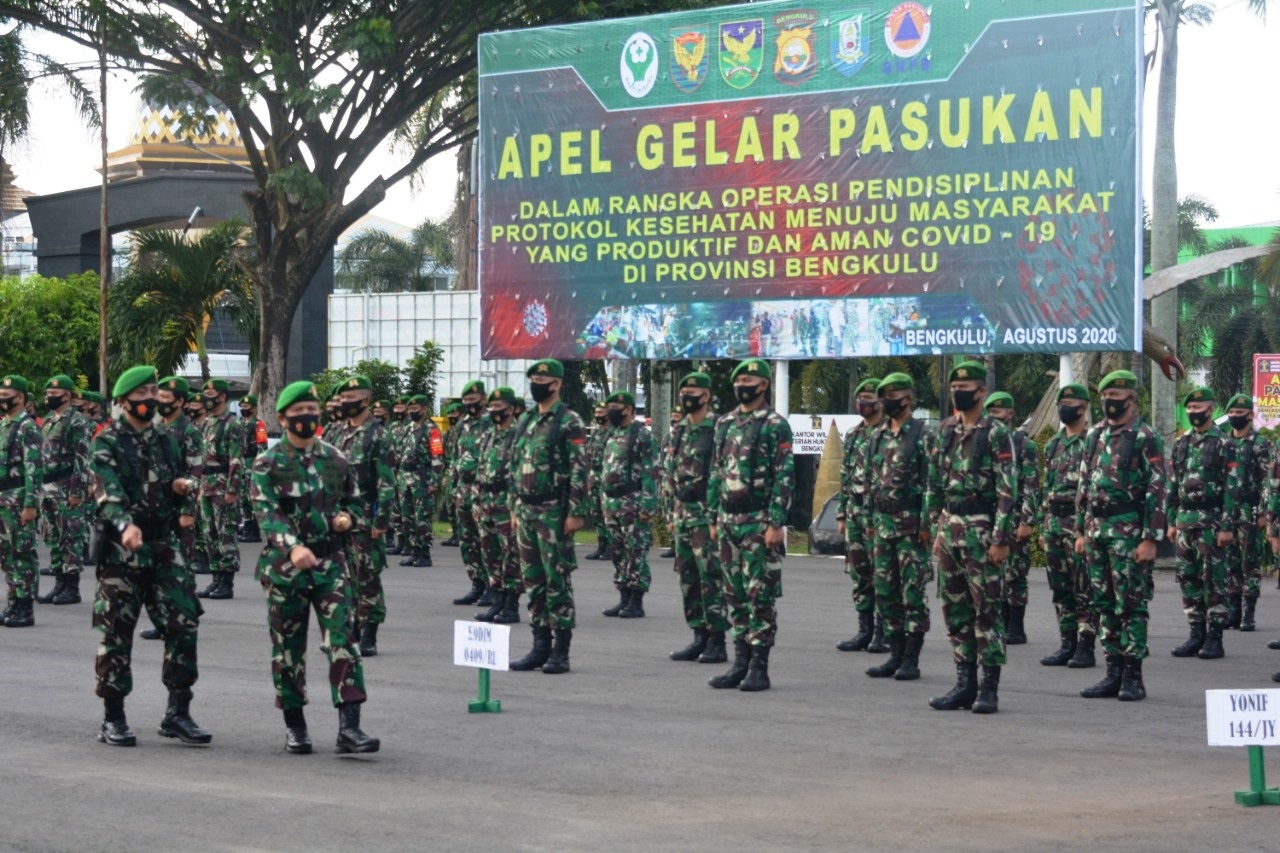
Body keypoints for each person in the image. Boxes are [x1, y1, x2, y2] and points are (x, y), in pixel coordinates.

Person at [250, 380, 378, 755]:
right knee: (288, 649)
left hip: (329, 563)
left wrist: (346, 519)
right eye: (299, 412)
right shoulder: (268, 464)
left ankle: (350, 728)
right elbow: (266, 513)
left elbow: (357, 502)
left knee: (343, 640)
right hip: (284, 570)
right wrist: (291, 548)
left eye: (312, 411)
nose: (306, 417)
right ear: (282, 418)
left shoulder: (335, 459)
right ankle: (296, 726)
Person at [90, 365, 209, 746]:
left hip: (163, 546)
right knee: (116, 632)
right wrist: (125, 525)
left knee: (184, 622)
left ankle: (177, 713)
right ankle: (114, 718)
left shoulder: (167, 438)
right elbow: (106, 492)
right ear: (124, 401)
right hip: (121, 550)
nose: (150, 400)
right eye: (141, 394)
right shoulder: (106, 441)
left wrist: (182, 487)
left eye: (153, 392)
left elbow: (176, 478)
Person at [925, 360, 1016, 714]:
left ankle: (989, 688)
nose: (959, 394)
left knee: (987, 611)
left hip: (982, 531)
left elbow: (1008, 489)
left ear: (981, 392)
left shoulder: (994, 432)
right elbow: (934, 482)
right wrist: (936, 527)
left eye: (965, 389)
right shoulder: (945, 429)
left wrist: (1000, 538)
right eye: (954, 389)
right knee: (955, 610)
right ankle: (964, 683)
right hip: (951, 530)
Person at [1074, 370, 1167, 702]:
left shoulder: (1144, 436)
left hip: (1128, 532)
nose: (1108, 401)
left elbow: (1158, 488)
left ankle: (1133, 676)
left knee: (1131, 603)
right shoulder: (1094, 435)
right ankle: (1112, 671)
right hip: (1097, 532)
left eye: (1115, 395)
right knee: (1103, 603)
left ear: (1131, 399)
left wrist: (1150, 538)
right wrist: (1082, 530)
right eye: (1104, 395)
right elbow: (1085, 484)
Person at [706, 358, 795, 692]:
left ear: (763, 385)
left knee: (760, 595)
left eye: (749, 379)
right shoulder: (725, 422)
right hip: (728, 520)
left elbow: (784, 475)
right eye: (738, 379)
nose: (742, 384)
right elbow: (716, 471)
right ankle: (739, 662)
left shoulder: (774, 424)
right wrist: (714, 516)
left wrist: (777, 522)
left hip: (758, 521)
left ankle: (759, 666)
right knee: (735, 594)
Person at [508, 359, 587, 675]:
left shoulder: (569, 421)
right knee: (533, 582)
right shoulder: (527, 419)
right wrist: (515, 507)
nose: (536, 383)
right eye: (534, 378)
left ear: (556, 383)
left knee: (557, 580)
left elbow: (580, 469)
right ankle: (539, 646)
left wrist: (576, 512)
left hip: (553, 512)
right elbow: (515, 465)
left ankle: (560, 651)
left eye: (541, 378)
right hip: (526, 512)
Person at [863, 373, 932, 681]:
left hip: (911, 527)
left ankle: (912, 659)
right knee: (886, 592)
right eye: (884, 394)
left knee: (912, 593)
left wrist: (927, 522)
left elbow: (933, 482)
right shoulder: (877, 436)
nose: (887, 400)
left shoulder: (922, 434)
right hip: (882, 525)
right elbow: (869, 482)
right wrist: (868, 521)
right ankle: (894, 654)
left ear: (908, 398)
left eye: (893, 394)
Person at [1167, 387, 1238, 661]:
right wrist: (1173, 520)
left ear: (1210, 410)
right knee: (1188, 578)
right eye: (1191, 409)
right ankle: (1195, 634)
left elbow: (1232, 487)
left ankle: (1214, 638)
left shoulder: (1223, 443)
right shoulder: (1181, 442)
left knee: (1213, 579)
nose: (1194, 413)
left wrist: (1227, 526)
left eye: (1199, 408)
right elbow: (1174, 482)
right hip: (1185, 521)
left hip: (1211, 521)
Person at [665, 372, 730, 663]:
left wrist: (717, 517)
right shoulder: (679, 430)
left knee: (711, 577)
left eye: (693, 390)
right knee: (688, 577)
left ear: (706, 395)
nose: (687, 394)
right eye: (684, 389)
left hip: (707, 514)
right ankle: (698, 636)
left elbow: (725, 473)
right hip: (683, 514)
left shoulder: (718, 428)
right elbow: (670, 473)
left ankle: (717, 640)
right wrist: (670, 512)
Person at [1036, 383, 1097, 668]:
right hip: (1053, 523)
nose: (1064, 408)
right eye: (1062, 404)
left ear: (1084, 408)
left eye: (1070, 404)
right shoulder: (1054, 443)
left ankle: (1085, 645)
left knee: (1083, 585)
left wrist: (1085, 529)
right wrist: (1042, 524)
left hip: (1078, 523)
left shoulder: (1093, 441)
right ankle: (1067, 642)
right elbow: (1046, 486)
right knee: (1059, 587)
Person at [140, 376, 205, 642]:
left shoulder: (188, 432)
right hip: (156, 508)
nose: (159, 402)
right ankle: (169, 616)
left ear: (179, 402)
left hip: (179, 509)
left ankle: (182, 616)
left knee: (181, 564)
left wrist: (188, 510)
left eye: (165, 398)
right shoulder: (156, 427)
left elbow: (195, 474)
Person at [335, 375, 396, 657]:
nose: (347, 403)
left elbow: (386, 483)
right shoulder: (338, 432)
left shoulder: (378, 434)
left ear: (367, 400)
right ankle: (351, 630)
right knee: (343, 575)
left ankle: (369, 633)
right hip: (339, 518)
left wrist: (381, 521)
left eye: (353, 398)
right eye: (344, 398)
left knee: (367, 575)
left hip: (366, 516)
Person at [983, 391, 1040, 645]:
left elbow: (1031, 484)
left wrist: (1027, 521)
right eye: (990, 412)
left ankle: (1016, 627)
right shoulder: (984, 443)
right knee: (993, 573)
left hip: (1015, 518)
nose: (994, 417)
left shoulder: (1023, 444)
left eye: (998, 412)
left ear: (1010, 413)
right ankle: (1001, 623)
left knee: (1015, 574)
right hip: (989, 519)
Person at [834, 376, 885, 653]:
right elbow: (845, 475)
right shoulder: (853, 434)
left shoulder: (889, 433)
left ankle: (883, 631)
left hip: (879, 515)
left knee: (883, 574)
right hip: (854, 512)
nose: (864, 402)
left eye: (870, 397)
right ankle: (864, 630)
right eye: (861, 397)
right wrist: (841, 514)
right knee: (860, 572)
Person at [599, 390, 659, 619]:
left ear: (629, 409)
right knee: (618, 552)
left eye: (616, 406)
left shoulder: (641, 435)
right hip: (611, 503)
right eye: (609, 406)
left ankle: (636, 601)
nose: (611, 410)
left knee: (635, 552)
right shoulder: (612, 434)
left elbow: (651, 472)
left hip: (632, 502)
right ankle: (623, 596)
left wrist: (647, 506)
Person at [36, 374, 92, 607]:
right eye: (48, 394)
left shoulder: (77, 421)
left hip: (67, 485)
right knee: (54, 537)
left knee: (71, 537)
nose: (49, 398)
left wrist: (77, 490)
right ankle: (59, 583)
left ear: (67, 396)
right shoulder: (49, 419)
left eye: (54, 394)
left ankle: (72, 587)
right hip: (48, 488)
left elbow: (82, 457)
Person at [472, 387, 524, 624]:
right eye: (491, 407)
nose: (494, 411)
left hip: (507, 503)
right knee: (490, 553)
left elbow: (523, 475)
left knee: (510, 554)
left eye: (499, 407)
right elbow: (479, 469)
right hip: (486, 503)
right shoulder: (488, 435)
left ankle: (511, 604)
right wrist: (476, 501)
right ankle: (497, 601)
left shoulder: (519, 436)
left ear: (511, 409)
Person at [1223, 394, 1270, 632]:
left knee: (1249, 561)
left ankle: (1248, 614)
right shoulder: (1224, 443)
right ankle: (1233, 612)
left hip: (1250, 509)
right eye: (1230, 414)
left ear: (1250, 416)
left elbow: (1267, 481)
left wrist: (1263, 513)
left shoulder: (1260, 444)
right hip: (1227, 512)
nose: (1234, 418)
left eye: (1238, 414)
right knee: (1230, 562)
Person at [0, 375, 43, 627]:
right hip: (3, 500)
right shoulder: (4, 425)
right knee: (6, 555)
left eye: (7, 396)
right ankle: (13, 601)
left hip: (18, 501)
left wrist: (30, 504)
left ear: (21, 398)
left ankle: (25, 606)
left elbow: (34, 470)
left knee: (22, 553)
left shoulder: (28, 427)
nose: (3, 400)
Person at [196, 378, 244, 600]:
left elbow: (236, 460)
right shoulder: (207, 423)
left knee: (226, 533)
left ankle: (228, 583)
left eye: (211, 393)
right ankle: (216, 578)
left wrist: (233, 489)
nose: (207, 397)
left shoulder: (232, 424)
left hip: (223, 483)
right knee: (210, 534)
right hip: (206, 485)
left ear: (222, 396)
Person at [451, 381, 493, 606]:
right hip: (463, 490)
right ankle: (476, 583)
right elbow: (455, 457)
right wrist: (453, 485)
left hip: (482, 490)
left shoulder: (491, 423)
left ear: (483, 399)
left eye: (472, 400)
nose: (469, 404)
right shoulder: (462, 425)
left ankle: (492, 586)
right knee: (467, 540)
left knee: (486, 540)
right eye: (465, 401)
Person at [583, 402, 613, 561]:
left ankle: (612, 546)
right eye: (597, 412)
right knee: (596, 513)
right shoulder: (596, 434)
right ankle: (601, 544)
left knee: (608, 514)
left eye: (602, 412)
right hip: (594, 478)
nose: (598, 415)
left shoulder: (614, 433)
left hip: (607, 478)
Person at [237, 394, 268, 543]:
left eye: (246, 407)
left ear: (254, 408)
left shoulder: (258, 424)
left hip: (252, 462)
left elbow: (262, 447)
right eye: (242, 407)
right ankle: (247, 524)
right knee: (242, 497)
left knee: (251, 497)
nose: (244, 409)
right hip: (240, 462)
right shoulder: (239, 423)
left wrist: (258, 465)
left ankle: (254, 529)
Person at [657, 408, 683, 559]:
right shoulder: (667, 438)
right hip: (667, 481)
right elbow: (662, 458)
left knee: (681, 513)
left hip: (681, 481)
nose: (674, 420)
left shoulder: (686, 436)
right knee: (669, 513)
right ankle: (673, 544)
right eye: (672, 417)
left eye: (678, 417)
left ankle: (682, 544)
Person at [439, 401, 463, 546]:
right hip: (449, 471)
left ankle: (462, 535)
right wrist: (443, 474)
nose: (451, 417)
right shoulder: (448, 433)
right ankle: (454, 534)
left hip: (461, 473)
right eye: (449, 414)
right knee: (450, 505)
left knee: (460, 504)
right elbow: (442, 454)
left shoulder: (464, 430)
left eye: (453, 414)